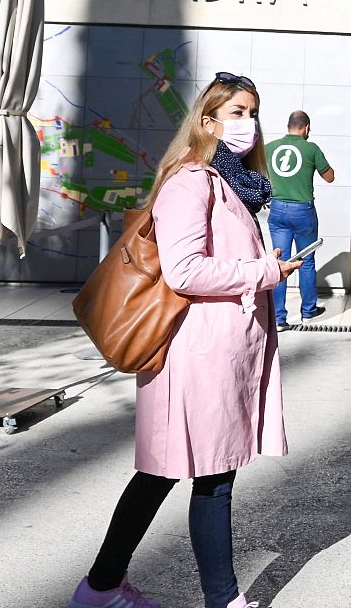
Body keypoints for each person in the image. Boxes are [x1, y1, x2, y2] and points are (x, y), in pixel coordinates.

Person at [71, 72, 302, 608]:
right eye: (238, 112)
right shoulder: (191, 181)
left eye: (253, 111)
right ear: (207, 121)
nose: (249, 123)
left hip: (217, 348)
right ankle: (223, 600)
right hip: (192, 351)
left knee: (167, 472)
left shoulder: (231, 184)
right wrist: (261, 271)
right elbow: (184, 272)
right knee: (207, 475)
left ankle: (100, 586)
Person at [265, 109, 335, 329]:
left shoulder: (270, 148)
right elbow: (330, 177)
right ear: (305, 128)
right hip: (302, 211)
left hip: (276, 210)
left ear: (289, 126)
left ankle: (278, 318)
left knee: (280, 262)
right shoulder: (311, 148)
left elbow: (256, 172)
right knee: (305, 262)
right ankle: (308, 311)